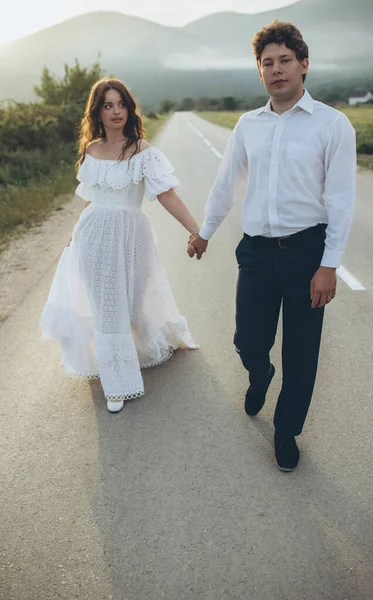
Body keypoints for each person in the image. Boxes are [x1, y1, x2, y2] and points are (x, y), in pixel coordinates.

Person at [188, 20, 357, 472]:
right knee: (248, 341)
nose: (277, 69)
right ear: (259, 72)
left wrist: (330, 265)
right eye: (267, 63)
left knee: (302, 352)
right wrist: (205, 231)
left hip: (307, 252)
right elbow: (226, 185)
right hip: (258, 253)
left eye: (285, 60)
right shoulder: (248, 125)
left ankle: (286, 432)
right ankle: (259, 373)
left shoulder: (333, 125)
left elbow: (341, 201)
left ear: (303, 64)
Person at [41, 78, 199, 413]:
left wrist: (195, 230)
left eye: (121, 104)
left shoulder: (142, 150)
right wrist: (75, 233)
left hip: (133, 236)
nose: (116, 112)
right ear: (97, 112)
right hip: (94, 237)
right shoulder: (92, 151)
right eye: (108, 105)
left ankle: (158, 337)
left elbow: (167, 195)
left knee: (133, 301)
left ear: (129, 108)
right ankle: (118, 383)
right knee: (108, 309)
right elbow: (90, 199)